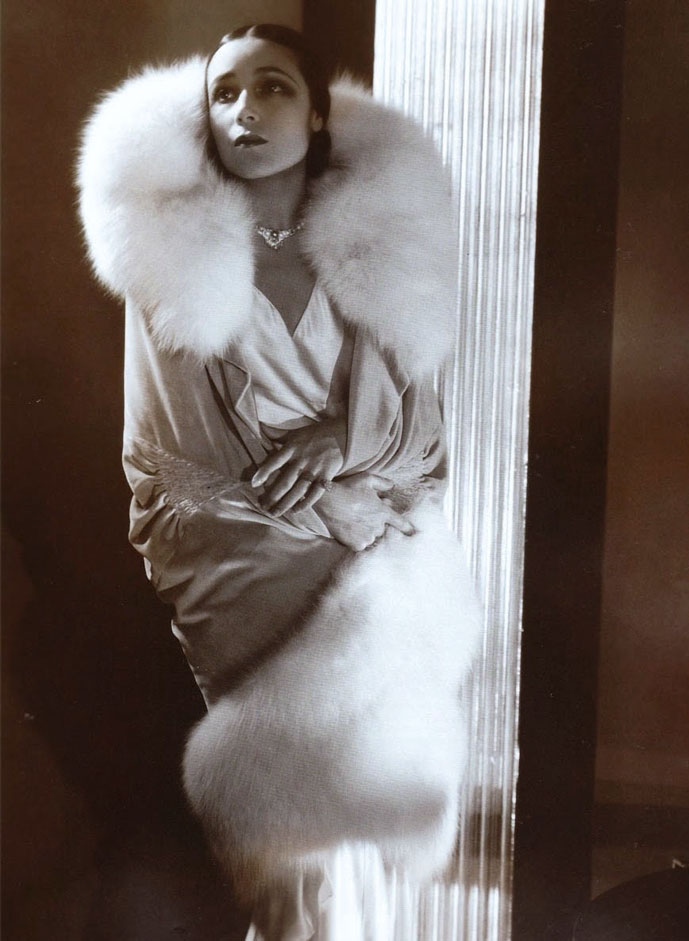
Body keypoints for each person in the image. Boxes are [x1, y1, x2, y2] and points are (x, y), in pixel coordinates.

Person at [78, 23, 482, 940]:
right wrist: (324, 505)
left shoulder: (378, 256)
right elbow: (168, 464)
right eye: (223, 94)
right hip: (241, 563)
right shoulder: (174, 262)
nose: (244, 111)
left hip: (376, 554)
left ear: (319, 115)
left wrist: (343, 445)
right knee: (293, 852)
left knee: (364, 834)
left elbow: (423, 443)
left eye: (272, 88)